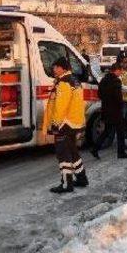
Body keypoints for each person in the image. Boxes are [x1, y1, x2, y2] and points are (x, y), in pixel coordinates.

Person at [45, 57, 88, 194]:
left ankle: (66, 184)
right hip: (74, 121)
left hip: (65, 123)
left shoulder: (64, 83)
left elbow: (60, 106)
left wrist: (56, 124)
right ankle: (81, 178)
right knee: (72, 151)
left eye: (56, 67)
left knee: (63, 154)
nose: (54, 69)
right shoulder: (74, 80)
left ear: (62, 68)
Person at [90, 63, 127, 160]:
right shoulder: (116, 81)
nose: (121, 72)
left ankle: (95, 149)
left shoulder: (103, 80)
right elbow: (118, 97)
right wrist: (121, 105)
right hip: (116, 111)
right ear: (116, 70)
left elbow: (100, 94)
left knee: (107, 131)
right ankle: (121, 152)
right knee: (120, 131)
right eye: (120, 71)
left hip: (106, 109)